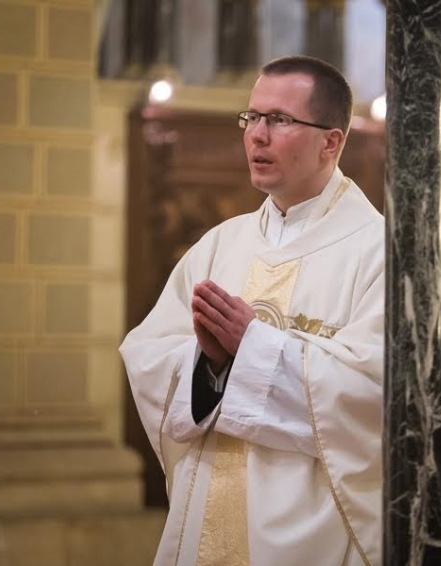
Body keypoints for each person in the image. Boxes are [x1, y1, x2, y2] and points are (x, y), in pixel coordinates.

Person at [120, 56, 384, 566]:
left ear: (331, 142)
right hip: (206, 509)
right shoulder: (220, 245)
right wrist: (210, 365)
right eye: (252, 117)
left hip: (310, 530)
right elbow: (147, 354)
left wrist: (254, 348)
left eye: (279, 120)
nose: (257, 135)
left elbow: (375, 395)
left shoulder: (377, 253)